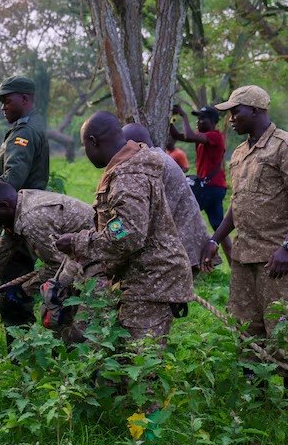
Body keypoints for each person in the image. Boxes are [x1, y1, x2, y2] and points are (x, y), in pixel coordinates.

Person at [200, 86, 288, 377]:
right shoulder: (239, 153)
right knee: (246, 332)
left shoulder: (287, 147)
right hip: (244, 258)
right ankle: (257, 401)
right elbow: (237, 205)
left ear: (255, 110)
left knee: (285, 332)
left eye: (235, 112)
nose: (230, 119)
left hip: (277, 261)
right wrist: (215, 238)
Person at [55, 112, 193, 342]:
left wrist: (78, 242)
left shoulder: (128, 175)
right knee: (120, 363)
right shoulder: (127, 168)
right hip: (140, 278)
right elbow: (122, 224)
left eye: (84, 146)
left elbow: (128, 233)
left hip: (152, 281)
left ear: (93, 141)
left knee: (138, 365)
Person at [0, 75, 51, 351]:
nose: (3, 106)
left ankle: (23, 356)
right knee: (10, 287)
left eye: (7, 100)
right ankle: (22, 353)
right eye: (1, 101)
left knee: (13, 292)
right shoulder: (27, 127)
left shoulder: (24, 133)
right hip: (20, 216)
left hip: (18, 219)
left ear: (25, 99)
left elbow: (12, 179)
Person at [0, 180, 93, 313]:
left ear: (4, 206)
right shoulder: (18, 205)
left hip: (98, 254)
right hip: (83, 252)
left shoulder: (31, 220)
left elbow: (58, 266)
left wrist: (23, 289)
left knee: (62, 314)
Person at [122, 123, 210, 271]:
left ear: (136, 144)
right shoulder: (158, 158)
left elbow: (137, 221)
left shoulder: (152, 163)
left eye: (123, 146)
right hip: (182, 244)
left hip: (180, 248)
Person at [171, 104, 232, 262]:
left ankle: (200, 259)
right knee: (220, 228)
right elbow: (179, 135)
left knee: (185, 216)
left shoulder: (215, 136)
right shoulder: (203, 137)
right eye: (197, 119)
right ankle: (232, 263)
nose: (198, 122)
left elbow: (189, 136)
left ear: (212, 121)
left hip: (211, 188)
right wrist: (169, 120)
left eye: (202, 119)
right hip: (215, 188)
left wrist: (184, 116)